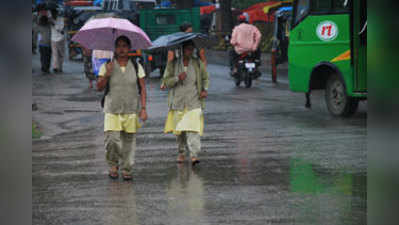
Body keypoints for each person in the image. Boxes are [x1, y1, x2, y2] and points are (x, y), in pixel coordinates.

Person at [97, 36, 148, 181]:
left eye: (124, 46)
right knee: (112, 140)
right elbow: (99, 87)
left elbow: (143, 89)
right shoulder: (107, 65)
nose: (121, 49)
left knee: (128, 142)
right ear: (114, 48)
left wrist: (143, 108)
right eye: (118, 46)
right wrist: (106, 74)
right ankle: (113, 165)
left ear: (129, 48)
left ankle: (127, 168)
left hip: (131, 109)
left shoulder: (137, 66)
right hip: (112, 109)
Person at [162, 41, 209, 166]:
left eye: (191, 49)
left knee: (193, 129)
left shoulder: (198, 64)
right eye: (187, 49)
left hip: (194, 102)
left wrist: (204, 89)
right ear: (181, 50)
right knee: (180, 132)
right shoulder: (173, 64)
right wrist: (177, 78)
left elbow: (205, 78)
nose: (189, 51)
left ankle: (194, 154)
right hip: (178, 102)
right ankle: (181, 152)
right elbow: (166, 81)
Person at [49, 9, 65, 73]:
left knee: (61, 54)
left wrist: (54, 24)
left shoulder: (60, 19)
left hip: (60, 38)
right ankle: (55, 67)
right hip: (54, 39)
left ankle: (60, 67)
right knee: (55, 54)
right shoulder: (50, 19)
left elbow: (61, 29)